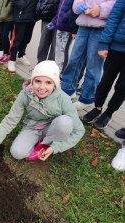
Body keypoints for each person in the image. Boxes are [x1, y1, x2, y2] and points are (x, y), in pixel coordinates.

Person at [0, 61, 85, 161]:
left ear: (55, 84)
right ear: (32, 81)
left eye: (48, 82)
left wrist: (56, 147)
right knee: (17, 153)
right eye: (38, 81)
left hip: (54, 128)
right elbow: (11, 119)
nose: (42, 87)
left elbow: (79, 131)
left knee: (65, 122)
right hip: (33, 127)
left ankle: (45, 144)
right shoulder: (25, 94)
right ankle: (38, 140)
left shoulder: (63, 99)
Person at [60, 0, 116, 111]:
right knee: (74, 60)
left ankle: (86, 98)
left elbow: (116, 4)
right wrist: (81, 6)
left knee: (93, 66)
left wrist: (101, 9)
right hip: (83, 26)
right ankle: (67, 89)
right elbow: (77, 3)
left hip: (101, 29)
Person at [82, 0, 125, 129]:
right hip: (116, 48)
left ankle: (108, 113)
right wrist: (104, 43)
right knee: (105, 80)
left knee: (122, 87)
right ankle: (98, 107)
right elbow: (114, 18)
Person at [7, 0, 39, 72]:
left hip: (32, 18)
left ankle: (21, 55)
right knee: (17, 39)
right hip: (21, 17)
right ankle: (12, 59)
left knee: (27, 39)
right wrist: (22, 6)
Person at [49, 0, 78, 72]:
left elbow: (74, 12)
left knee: (63, 50)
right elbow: (59, 11)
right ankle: (56, 70)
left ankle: (60, 72)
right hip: (60, 27)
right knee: (58, 50)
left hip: (67, 28)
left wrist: (74, 30)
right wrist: (54, 21)